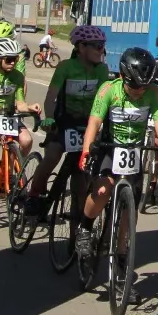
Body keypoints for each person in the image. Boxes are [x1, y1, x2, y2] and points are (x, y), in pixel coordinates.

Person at [75, 48, 158, 269]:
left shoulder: (153, 93)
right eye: (134, 86)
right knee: (103, 189)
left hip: (134, 151)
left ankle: (121, 260)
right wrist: (87, 151)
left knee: (130, 209)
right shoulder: (109, 89)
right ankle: (85, 228)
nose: (139, 91)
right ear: (121, 77)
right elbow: (94, 123)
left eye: (143, 86)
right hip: (109, 147)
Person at [25, 24, 111, 214]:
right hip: (64, 122)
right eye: (96, 46)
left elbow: (105, 100)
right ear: (81, 48)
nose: (101, 51)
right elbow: (50, 98)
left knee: (84, 173)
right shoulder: (66, 67)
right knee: (53, 156)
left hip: (87, 125)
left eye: (102, 46)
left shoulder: (102, 70)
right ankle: (33, 195)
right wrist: (50, 119)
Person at [0, 37, 42, 229]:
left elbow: (19, 103)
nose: (13, 62)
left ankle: (15, 170)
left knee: (26, 140)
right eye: (8, 59)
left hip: (10, 117)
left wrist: (30, 107)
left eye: (15, 59)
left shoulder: (18, 76)